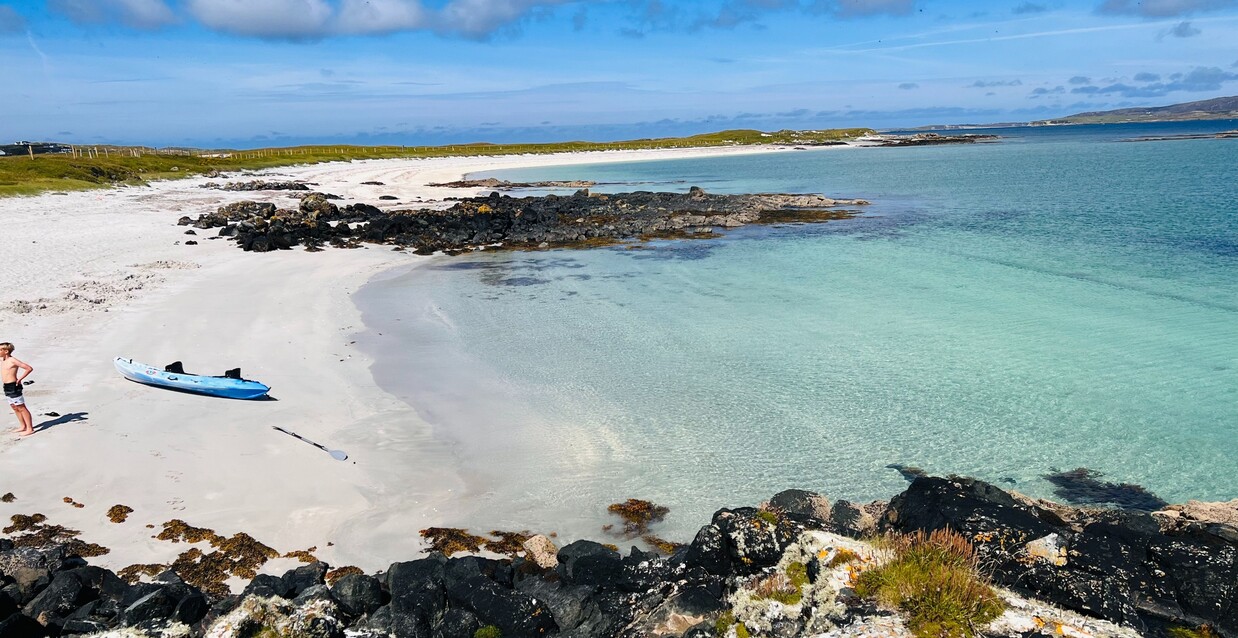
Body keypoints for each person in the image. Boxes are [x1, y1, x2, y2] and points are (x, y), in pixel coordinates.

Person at [0, 342, 34, 437]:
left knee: (21, 407)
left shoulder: (13, 360)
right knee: (14, 407)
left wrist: (20, 379)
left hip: (13, 385)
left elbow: (28, 368)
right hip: (6, 386)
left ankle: (30, 428)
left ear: (6, 351)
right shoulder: (3, 360)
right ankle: (23, 426)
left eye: (0, 350)